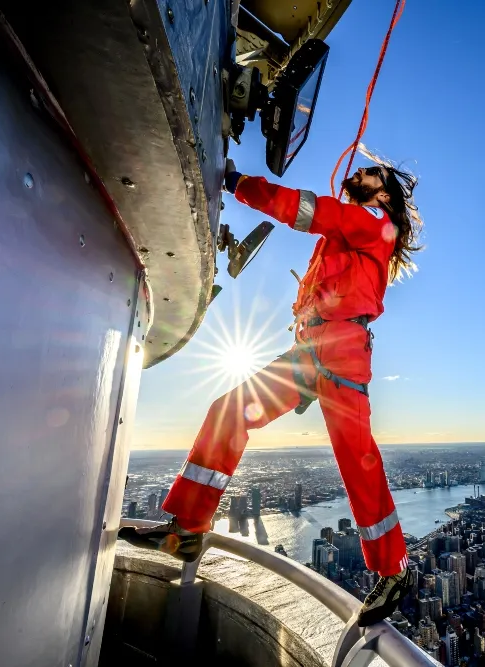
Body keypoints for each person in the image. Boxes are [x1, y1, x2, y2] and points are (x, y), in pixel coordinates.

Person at [120, 158, 423, 626]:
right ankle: (189, 529)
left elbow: (306, 210)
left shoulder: (371, 222)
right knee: (231, 409)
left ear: (382, 196)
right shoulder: (348, 235)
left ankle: (393, 569)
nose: (360, 174)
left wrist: (241, 184)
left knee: (356, 455)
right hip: (313, 347)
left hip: (341, 348)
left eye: (371, 175)